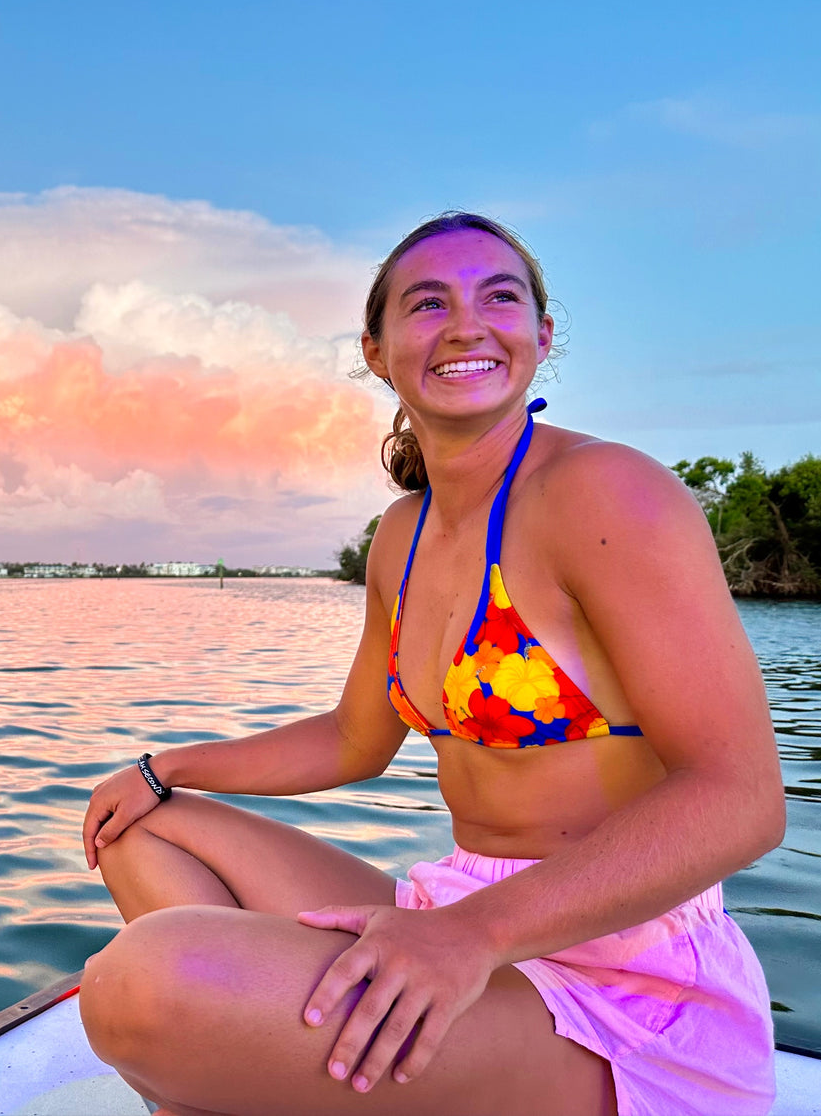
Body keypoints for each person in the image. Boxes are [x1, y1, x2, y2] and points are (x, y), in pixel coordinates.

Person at [76, 213, 784, 1116]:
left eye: (500, 296)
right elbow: (351, 738)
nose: (465, 325)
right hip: (452, 910)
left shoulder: (605, 492)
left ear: (540, 334)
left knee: (142, 986)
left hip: (616, 975)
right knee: (142, 828)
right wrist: (159, 769)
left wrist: (472, 937)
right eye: (427, 303)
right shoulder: (402, 535)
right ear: (375, 349)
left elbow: (740, 798)